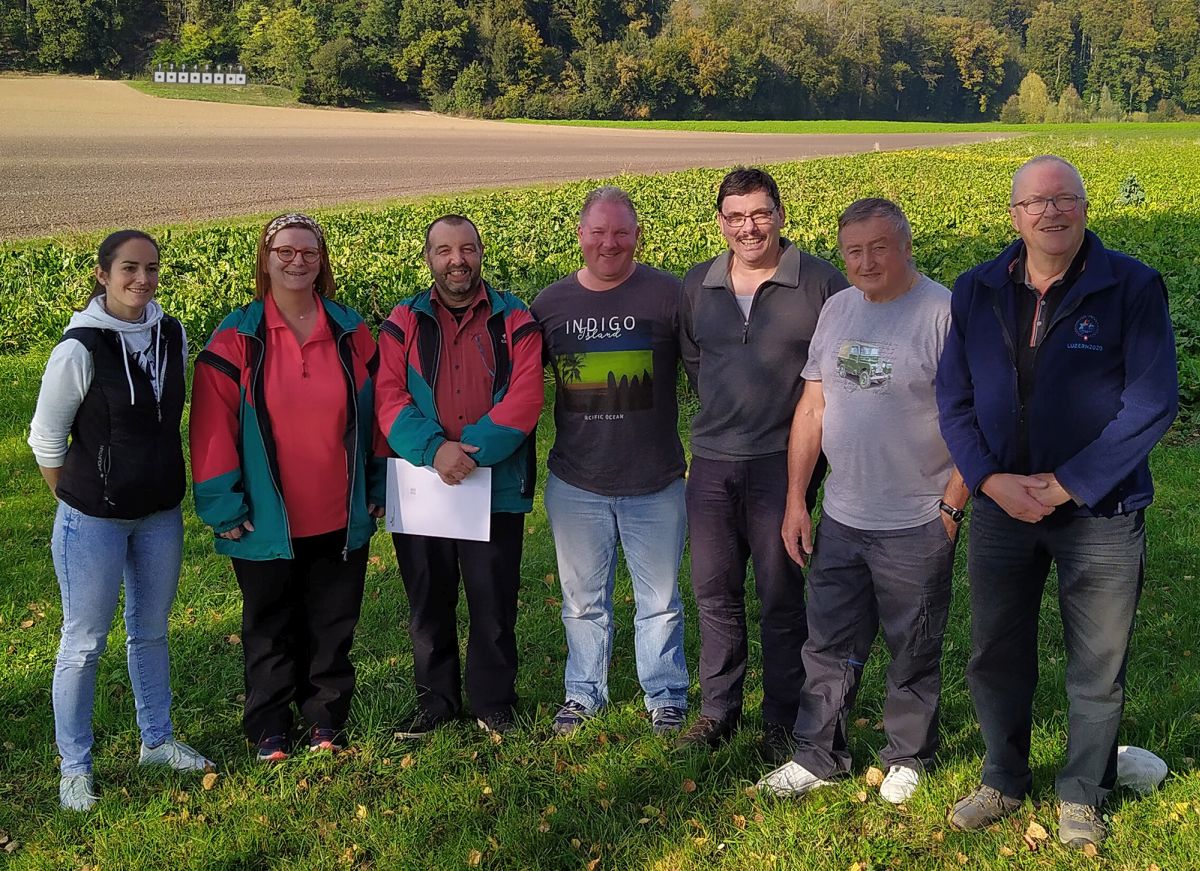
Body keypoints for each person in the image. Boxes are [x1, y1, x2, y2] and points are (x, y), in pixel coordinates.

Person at [936, 156, 1178, 849]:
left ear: (1083, 207)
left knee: (1098, 661)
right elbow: (952, 399)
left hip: (1102, 510)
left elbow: (1152, 400)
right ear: (1014, 215)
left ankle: (1082, 793)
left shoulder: (1130, 286)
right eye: (1036, 201)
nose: (1051, 211)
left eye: (1065, 198)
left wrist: (1072, 480)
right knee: (994, 650)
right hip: (1001, 508)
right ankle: (1003, 778)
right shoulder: (976, 289)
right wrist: (988, 479)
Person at [754, 198, 968, 803]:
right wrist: (798, 499)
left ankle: (908, 755)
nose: (867, 261)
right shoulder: (838, 309)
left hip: (918, 518)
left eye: (880, 247)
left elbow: (972, 420)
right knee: (826, 643)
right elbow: (813, 408)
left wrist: (951, 506)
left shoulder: (943, 313)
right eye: (854, 250)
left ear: (905, 245)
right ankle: (817, 755)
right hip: (843, 515)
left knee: (913, 643)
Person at [29, 229, 213, 811]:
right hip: (94, 522)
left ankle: (156, 741)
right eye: (129, 268)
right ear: (102, 275)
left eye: (152, 268)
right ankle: (75, 768)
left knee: (151, 631)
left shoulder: (171, 333)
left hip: (159, 513)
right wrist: (84, 501)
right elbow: (46, 439)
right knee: (84, 643)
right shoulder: (79, 348)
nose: (142, 279)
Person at [190, 213, 384, 762]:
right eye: (285, 251)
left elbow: (374, 419)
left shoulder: (350, 330)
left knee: (332, 625)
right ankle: (270, 728)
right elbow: (210, 427)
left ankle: (325, 721)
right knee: (269, 626)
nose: (297, 261)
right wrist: (221, 502)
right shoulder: (237, 338)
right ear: (265, 258)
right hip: (265, 517)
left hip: (338, 512)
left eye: (309, 252)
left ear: (322, 262)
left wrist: (378, 486)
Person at [676, 167, 849, 758]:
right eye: (735, 216)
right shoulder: (698, 284)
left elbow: (834, 377)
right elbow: (696, 361)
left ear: (779, 214)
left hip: (783, 466)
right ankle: (718, 709)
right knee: (714, 593)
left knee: (780, 595)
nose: (748, 227)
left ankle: (781, 714)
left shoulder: (821, 282)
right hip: (712, 465)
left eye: (759, 213)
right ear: (721, 222)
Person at [377, 214, 543, 737]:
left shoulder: (516, 317)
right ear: (428, 258)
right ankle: (436, 702)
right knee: (429, 600)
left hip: (491, 488)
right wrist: (434, 450)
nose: (457, 261)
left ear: (480, 253)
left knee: (493, 602)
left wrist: (467, 452)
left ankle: (494, 703)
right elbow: (388, 396)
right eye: (444, 250)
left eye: (467, 249)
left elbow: (526, 398)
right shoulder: (403, 320)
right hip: (421, 486)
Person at [531, 187, 689, 736]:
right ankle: (583, 694)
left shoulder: (670, 295)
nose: (609, 243)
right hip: (577, 481)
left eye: (621, 232)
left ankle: (666, 695)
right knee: (581, 602)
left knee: (662, 600)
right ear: (580, 235)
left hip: (657, 481)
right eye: (598, 232)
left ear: (637, 236)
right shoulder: (549, 305)